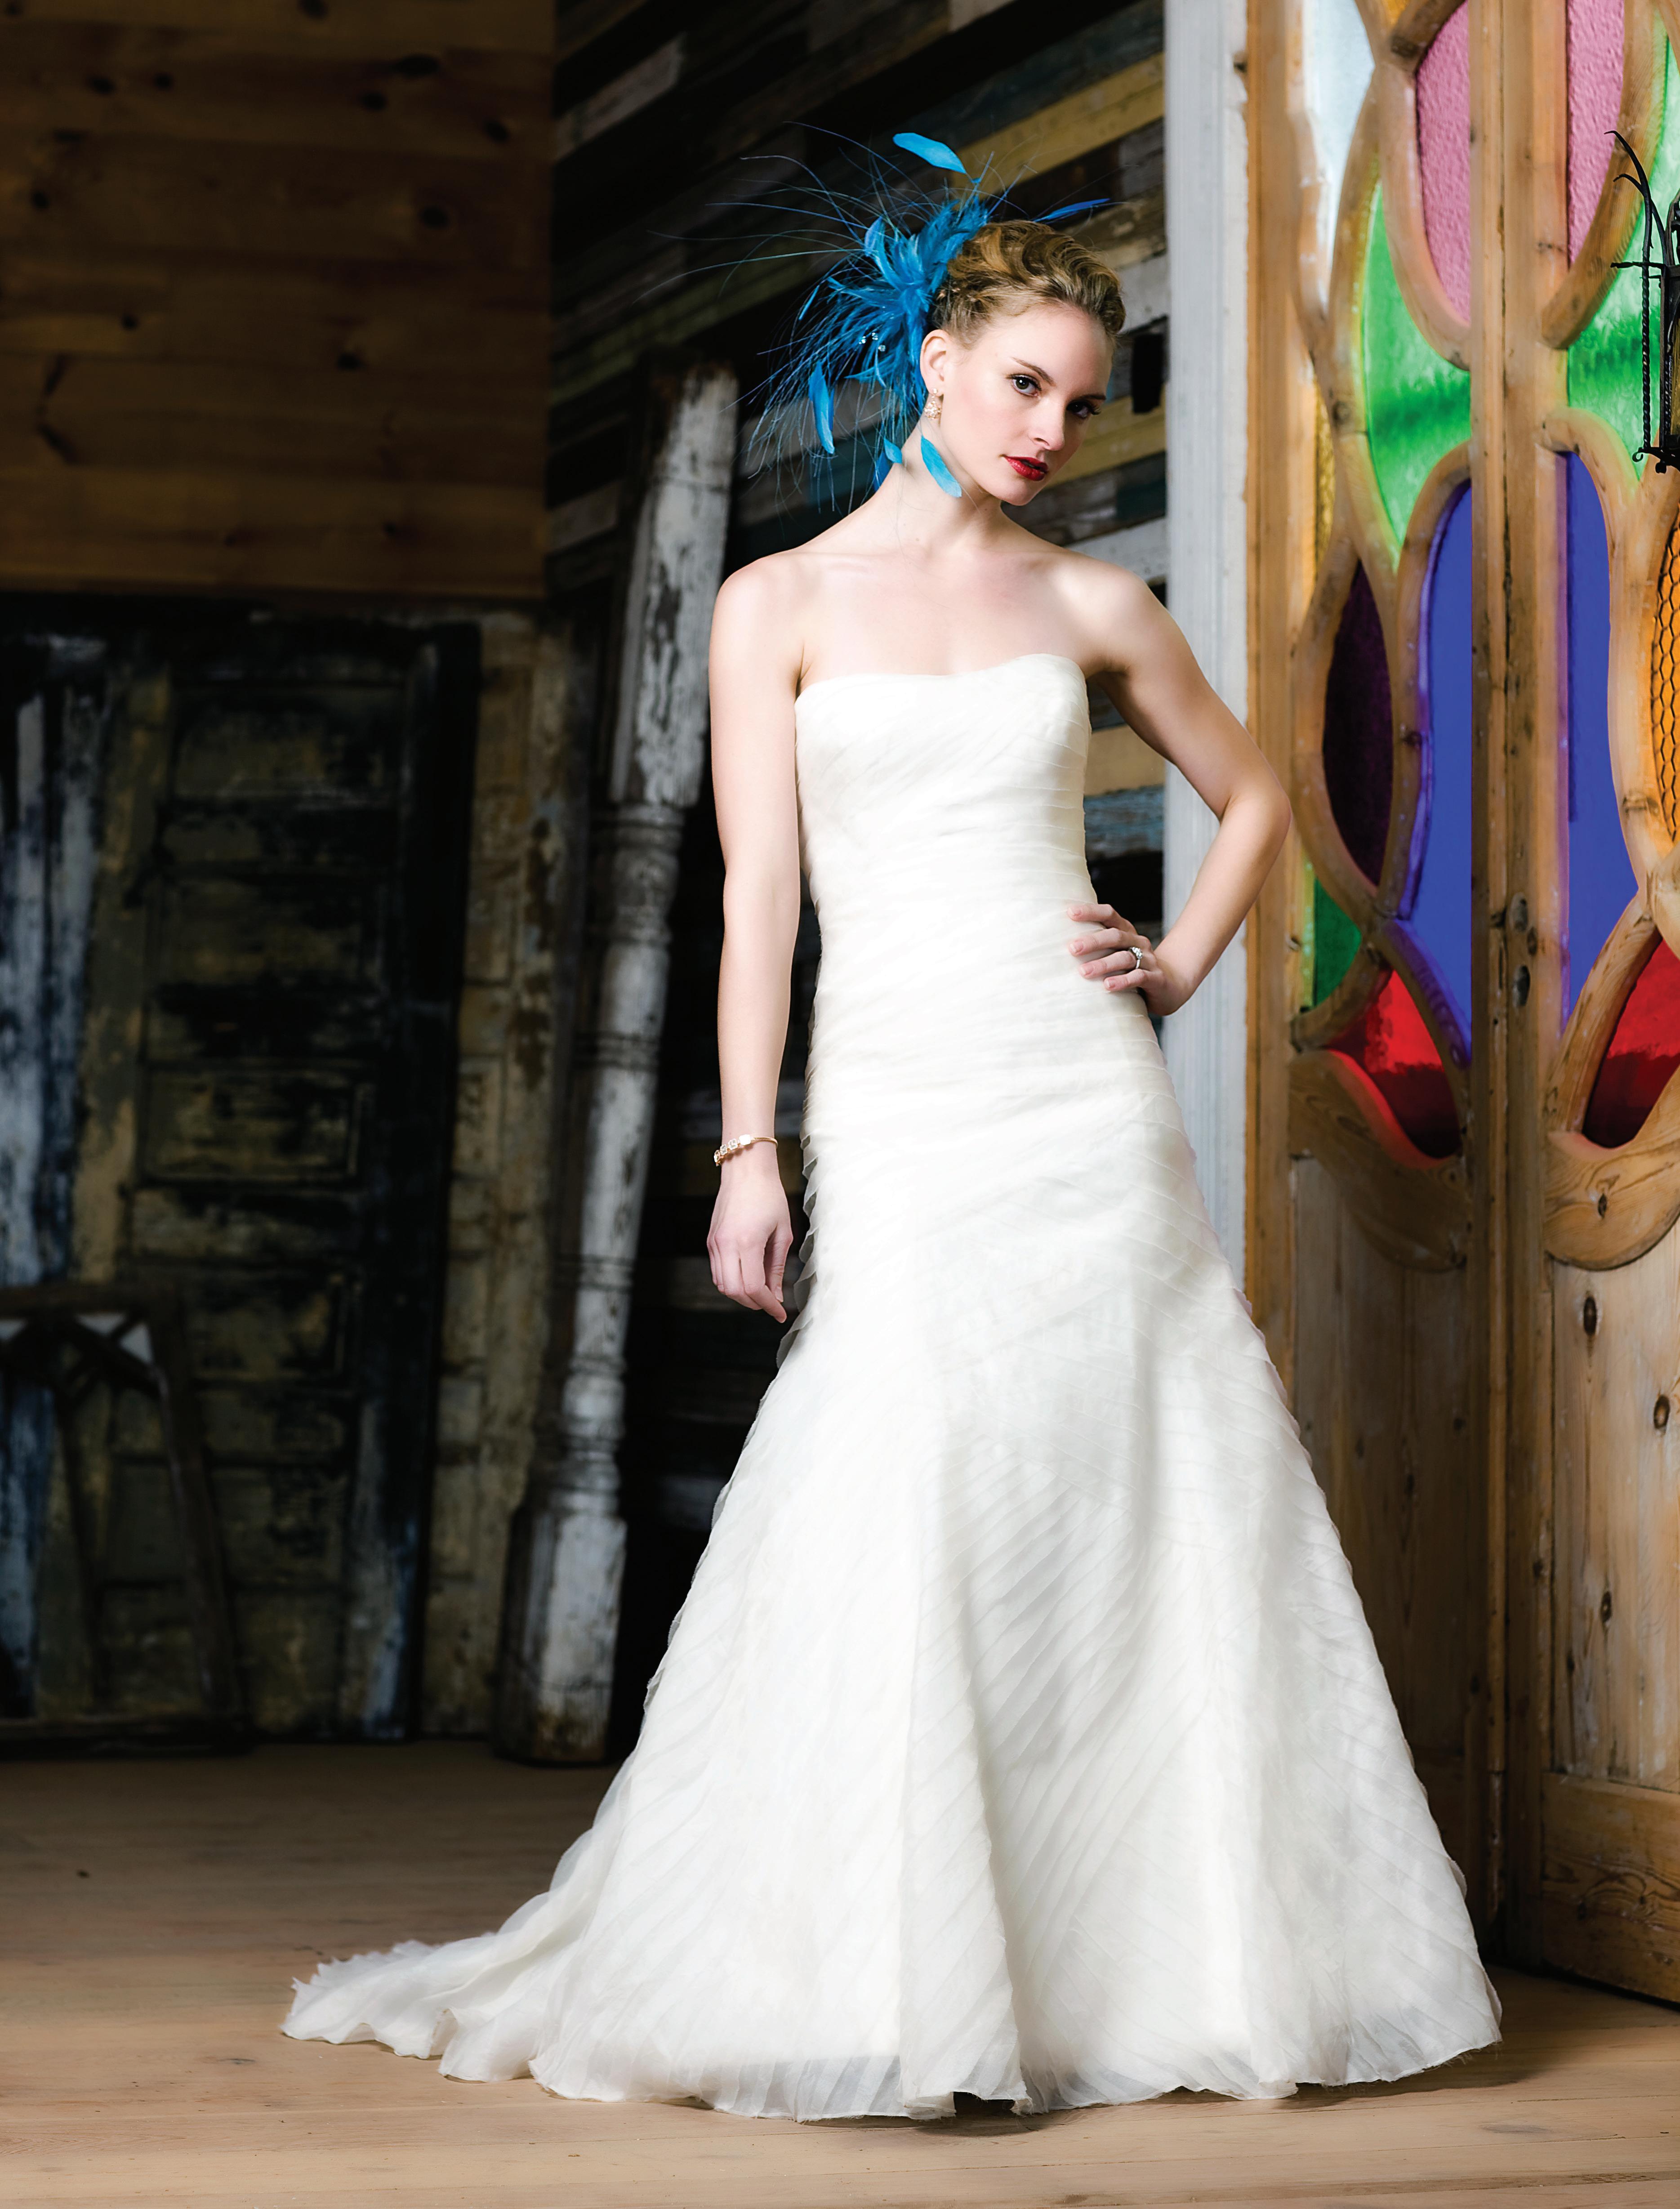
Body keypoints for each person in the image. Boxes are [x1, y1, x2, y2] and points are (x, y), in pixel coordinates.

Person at [284, 153, 1501, 2123]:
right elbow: (759, 898)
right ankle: (883, 1963)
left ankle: (1142, 1964)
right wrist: (744, 1153)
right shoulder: (773, 603)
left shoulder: (1091, 600)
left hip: (1076, 1089)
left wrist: (1176, 962)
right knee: (909, 1461)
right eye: (1023, 384)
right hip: (898, 1089)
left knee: (1134, 1467)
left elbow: (1261, 793)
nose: (1051, 430)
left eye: (1080, 402)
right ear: (936, 361)